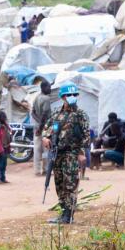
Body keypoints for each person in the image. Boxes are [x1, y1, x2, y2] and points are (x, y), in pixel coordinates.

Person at [44, 83, 89, 225]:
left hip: (71, 154)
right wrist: (45, 137)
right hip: (57, 154)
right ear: (62, 97)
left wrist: (81, 153)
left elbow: (86, 135)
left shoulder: (80, 115)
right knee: (60, 184)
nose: (71, 97)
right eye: (68, 95)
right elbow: (47, 128)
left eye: (74, 95)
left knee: (70, 185)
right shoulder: (57, 113)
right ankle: (63, 212)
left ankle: (68, 215)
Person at [31, 81, 54, 176]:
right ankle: (45, 169)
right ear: (44, 88)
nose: (50, 89)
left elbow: (33, 112)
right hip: (45, 127)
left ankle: (36, 171)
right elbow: (45, 114)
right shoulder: (46, 99)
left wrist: (38, 124)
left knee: (36, 148)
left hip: (37, 126)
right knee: (46, 148)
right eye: (49, 87)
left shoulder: (36, 97)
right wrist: (41, 127)